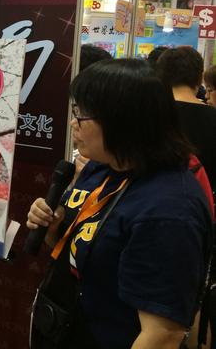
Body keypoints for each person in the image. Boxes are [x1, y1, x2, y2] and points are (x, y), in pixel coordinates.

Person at [27, 59, 212, 349]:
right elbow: (82, 251)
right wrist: (54, 228)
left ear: (122, 120)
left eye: (82, 114)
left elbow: (162, 335)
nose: (74, 123)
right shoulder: (103, 167)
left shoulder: (169, 210)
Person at [155, 47, 216, 187]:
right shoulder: (212, 117)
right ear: (200, 77)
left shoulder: (149, 113)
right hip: (204, 195)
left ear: (160, 76)